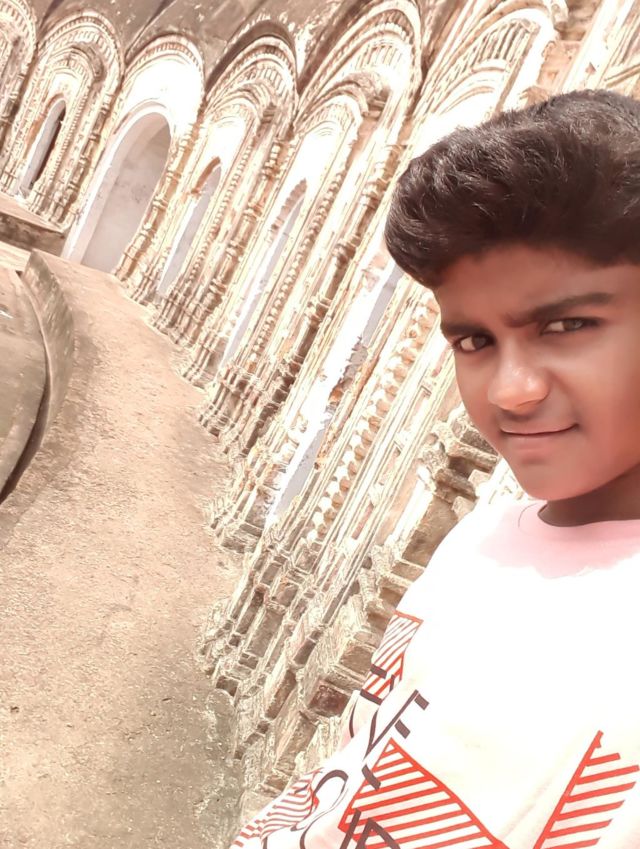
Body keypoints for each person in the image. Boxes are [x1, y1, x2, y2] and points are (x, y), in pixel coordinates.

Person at [230, 89, 640, 848]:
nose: (511, 391)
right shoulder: (482, 536)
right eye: (474, 341)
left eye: (567, 324)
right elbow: (359, 763)